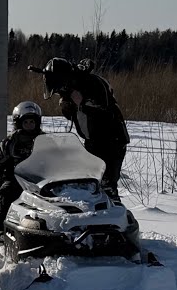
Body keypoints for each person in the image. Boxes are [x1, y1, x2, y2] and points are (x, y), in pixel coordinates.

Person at [34, 57, 130, 200]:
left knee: (107, 185)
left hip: (111, 140)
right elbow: (77, 117)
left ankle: (116, 217)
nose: (60, 91)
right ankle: (94, 218)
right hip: (92, 140)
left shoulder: (92, 83)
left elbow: (104, 108)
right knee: (90, 184)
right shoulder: (71, 91)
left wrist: (81, 102)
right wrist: (68, 107)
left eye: (60, 88)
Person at [0, 101, 45, 234]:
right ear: (19, 123)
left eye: (32, 122)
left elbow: (56, 157)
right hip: (18, 180)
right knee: (5, 193)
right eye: (26, 122)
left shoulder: (45, 139)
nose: (29, 125)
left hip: (43, 180)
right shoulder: (10, 141)